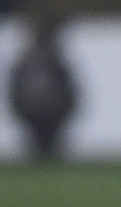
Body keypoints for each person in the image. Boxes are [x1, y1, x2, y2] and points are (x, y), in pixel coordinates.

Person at [8, 14, 77, 159]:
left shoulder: (33, 61)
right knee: (40, 146)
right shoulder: (44, 61)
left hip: (48, 111)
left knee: (47, 147)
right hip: (37, 111)